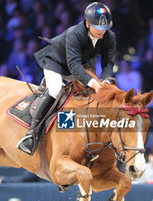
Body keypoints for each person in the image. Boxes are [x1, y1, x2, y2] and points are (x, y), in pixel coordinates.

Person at [17, 2, 115, 155]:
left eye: (105, 28)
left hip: (81, 65)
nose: (102, 32)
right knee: (55, 90)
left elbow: (108, 63)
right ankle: (31, 134)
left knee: (91, 94)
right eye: (98, 28)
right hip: (57, 63)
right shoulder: (75, 34)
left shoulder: (109, 37)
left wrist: (106, 81)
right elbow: (73, 65)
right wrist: (93, 82)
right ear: (87, 24)